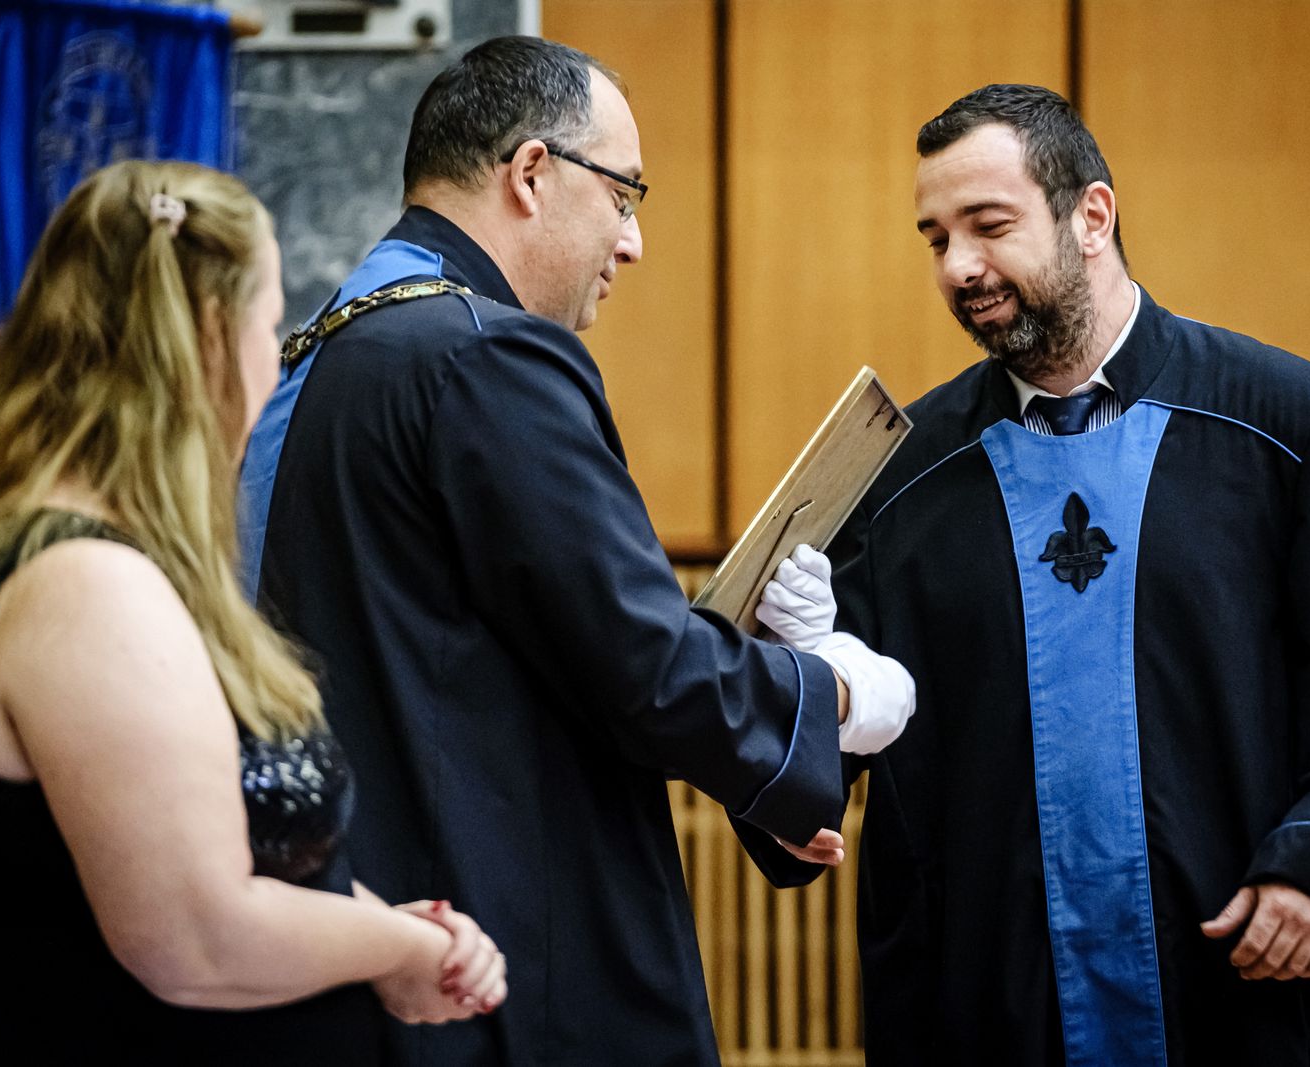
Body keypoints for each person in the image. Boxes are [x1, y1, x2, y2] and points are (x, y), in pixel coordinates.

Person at [236, 35, 913, 1067]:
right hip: (502, 968)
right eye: (624, 194)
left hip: (367, 940)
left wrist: (763, 765)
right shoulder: (485, 353)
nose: (632, 241)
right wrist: (834, 692)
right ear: (531, 173)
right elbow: (644, 662)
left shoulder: (324, 350)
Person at [740, 84, 1310, 1065]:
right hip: (1000, 988)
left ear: (1091, 216)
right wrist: (795, 692)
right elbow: (839, 715)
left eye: (988, 226)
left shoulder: (1279, 419)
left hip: (1249, 971)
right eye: (935, 239)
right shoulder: (903, 474)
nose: (958, 266)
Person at [0, 160, 507, 1064]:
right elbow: (194, 937)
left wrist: (376, 935)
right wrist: (402, 947)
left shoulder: (99, 558)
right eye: (269, 327)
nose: (274, 363)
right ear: (205, 334)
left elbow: (219, 850)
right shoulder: (85, 586)